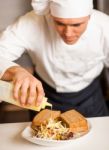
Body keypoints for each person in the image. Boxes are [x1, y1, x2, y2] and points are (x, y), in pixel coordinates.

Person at [0, 0, 109, 118]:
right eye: (59, 23)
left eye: (77, 25)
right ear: (50, 15)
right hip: (43, 94)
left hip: (89, 96)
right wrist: (17, 71)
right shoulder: (30, 22)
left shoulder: (104, 26)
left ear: (89, 16)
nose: (68, 33)